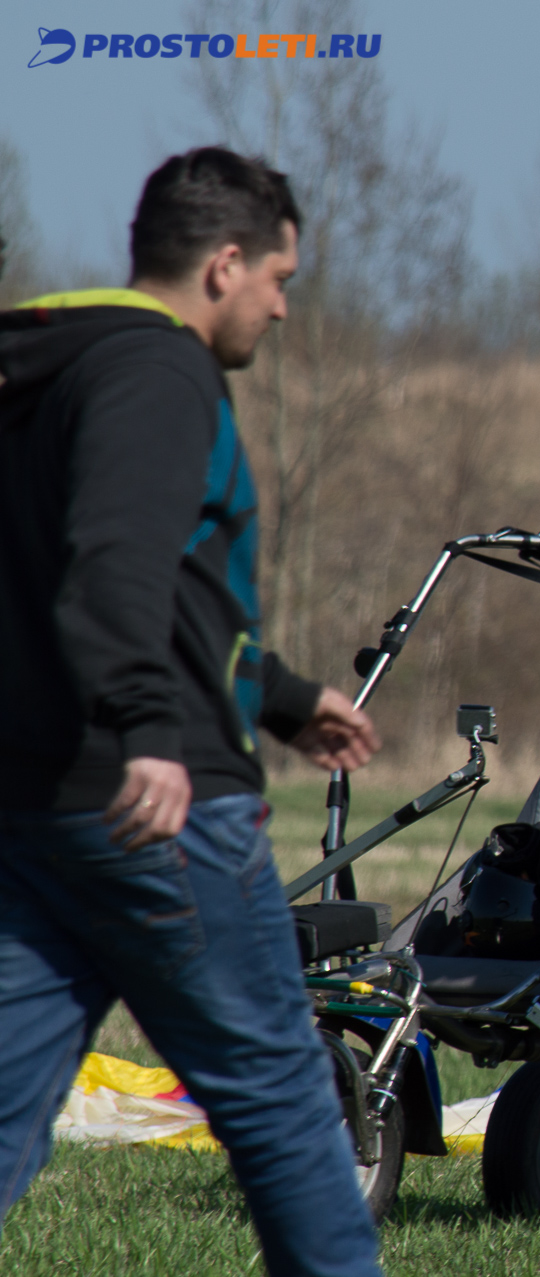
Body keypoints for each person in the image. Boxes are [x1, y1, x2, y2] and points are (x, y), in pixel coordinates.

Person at [0, 148, 384, 1277]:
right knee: (281, 1096)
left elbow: (156, 596)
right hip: (159, 813)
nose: (281, 306)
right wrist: (147, 734)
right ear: (224, 265)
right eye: (278, 279)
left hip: (33, 809)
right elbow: (114, 568)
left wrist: (284, 697)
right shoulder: (158, 374)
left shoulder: (48, 369)